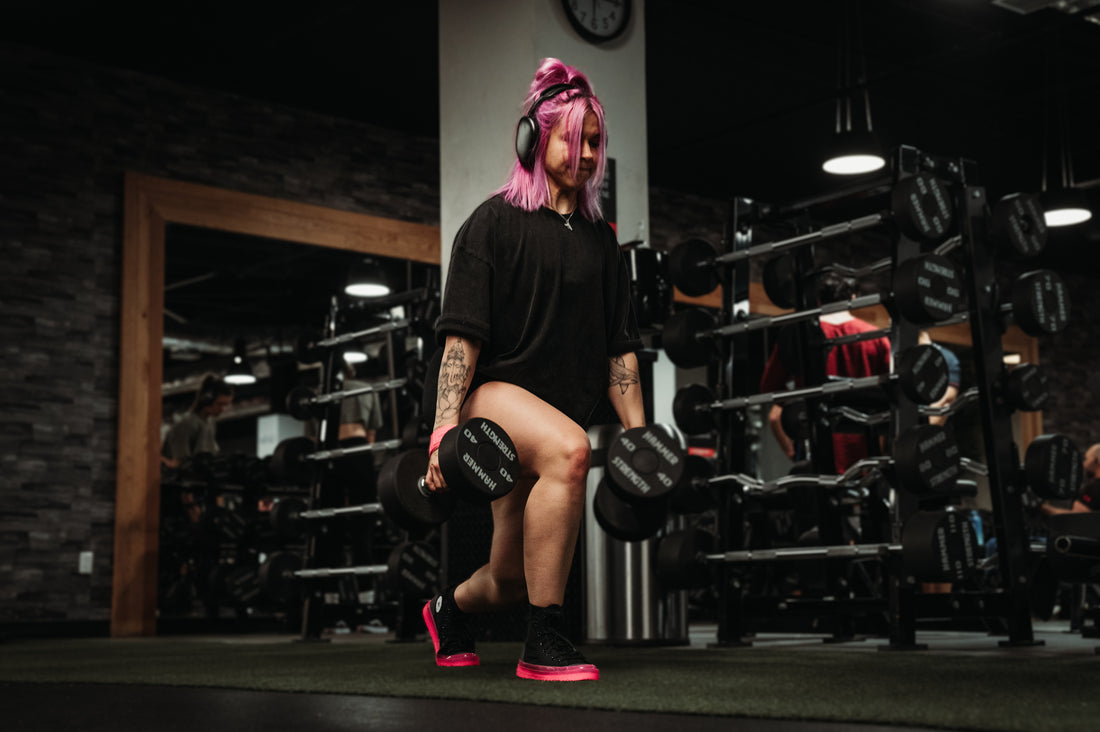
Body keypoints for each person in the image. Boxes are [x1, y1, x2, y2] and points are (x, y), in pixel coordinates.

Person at [420, 58, 644, 682]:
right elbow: (460, 342)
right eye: (574, 136)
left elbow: (619, 351)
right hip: (493, 405)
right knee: (573, 450)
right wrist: (441, 433)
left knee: (510, 579)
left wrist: (641, 441)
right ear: (535, 138)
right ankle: (544, 641)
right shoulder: (492, 224)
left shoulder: (603, 242)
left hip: (550, 421)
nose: (588, 152)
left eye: (596, 140)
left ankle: (448, 610)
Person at [759, 272, 891, 474]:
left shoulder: (798, 334)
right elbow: (887, 397)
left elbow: (770, 387)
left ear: (816, 298)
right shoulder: (878, 337)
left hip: (816, 442)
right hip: (865, 449)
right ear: (853, 298)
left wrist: (800, 407)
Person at [161, 373, 234, 468]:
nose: (223, 409)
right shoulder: (187, 425)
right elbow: (180, 464)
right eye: (220, 404)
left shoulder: (210, 420)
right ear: (206, 400)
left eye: (226, 405)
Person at [1042, 443, 1100, 515]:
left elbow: (1078, 517)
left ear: (1097, 461)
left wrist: (1045, 508)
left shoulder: (1093, 489)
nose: (1084, 464)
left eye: (1086, 459)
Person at [918, 330, 960, 426]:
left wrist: (931, 429)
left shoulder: (947, 358)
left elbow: (947, 397)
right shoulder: (898, 354)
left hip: (928, 418)